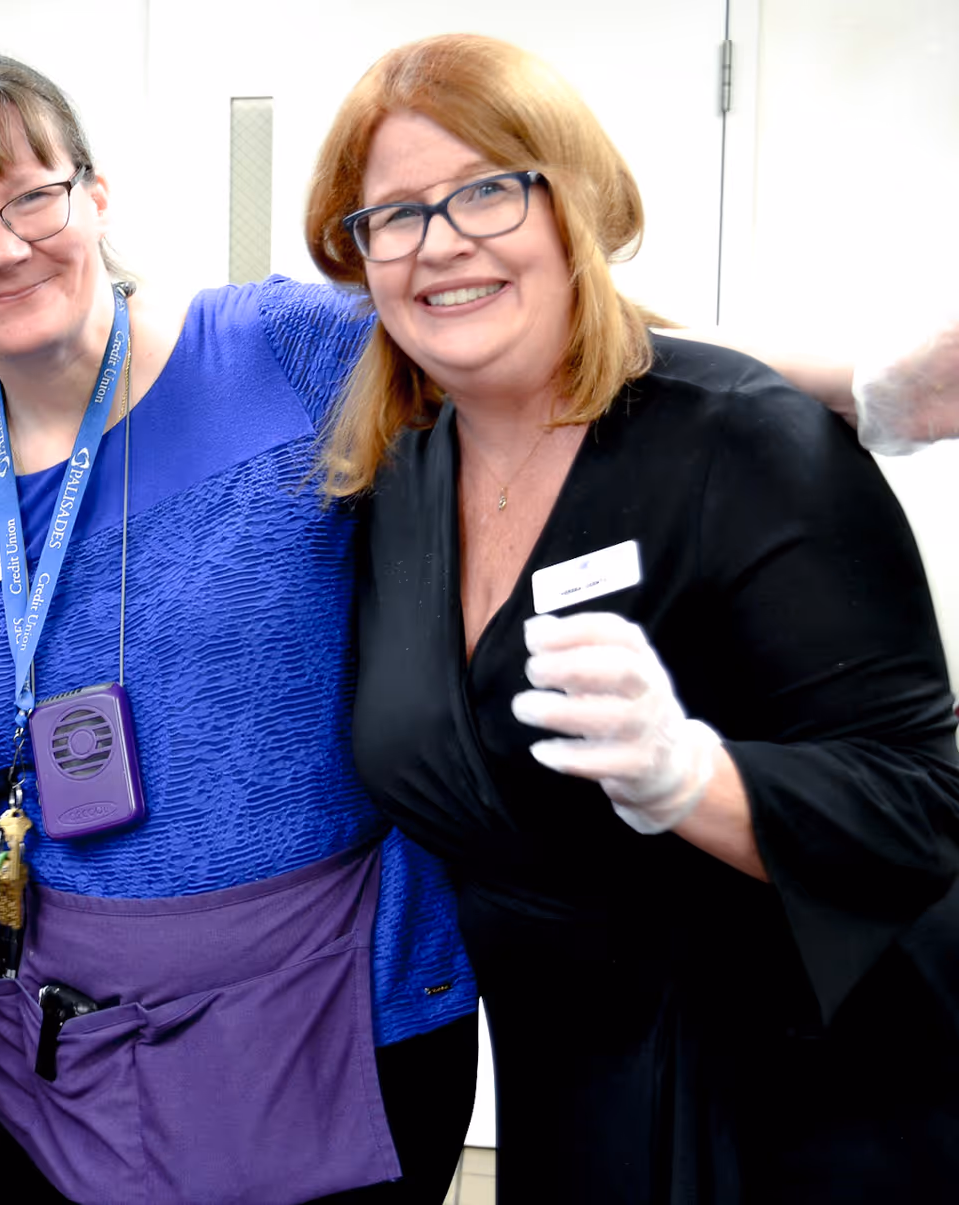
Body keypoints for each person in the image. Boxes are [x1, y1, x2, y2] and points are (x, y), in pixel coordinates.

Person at [305, 33, 959, 1204]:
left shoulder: (749, 444)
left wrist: (693, 781)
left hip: (808, 1093)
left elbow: (921, 811)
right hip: (569, 1087)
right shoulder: (399, 482)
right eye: (393, 215)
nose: (440, 241)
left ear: (574, 204)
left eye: (488, 189)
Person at [0, 53, 479, 1205]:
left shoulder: (285, 350)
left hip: (345, 1007)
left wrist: (868, 388)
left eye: (30, 196)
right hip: (68, 1045)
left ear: (94, 193)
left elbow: (547, 357)